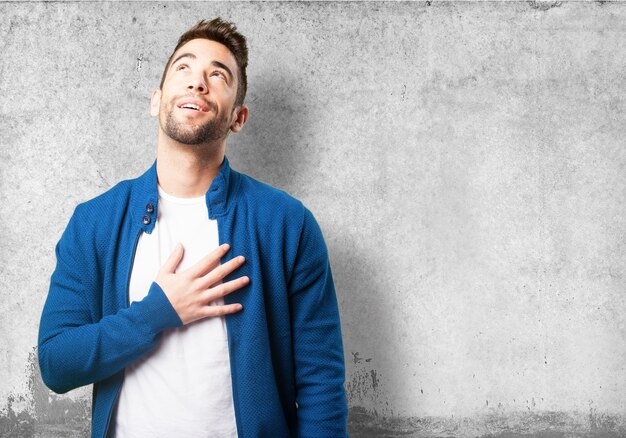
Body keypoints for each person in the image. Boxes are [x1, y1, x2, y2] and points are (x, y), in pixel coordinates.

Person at [38, 18, 348, 438]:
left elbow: (321, 386)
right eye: (183, 68)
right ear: (156, 100)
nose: (197, 82)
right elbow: (57, 364)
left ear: (238, 117)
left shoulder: (287, 224)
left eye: (217, 75)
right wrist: (156, 313)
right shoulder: (95, 221)